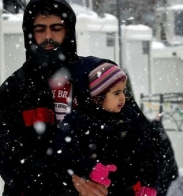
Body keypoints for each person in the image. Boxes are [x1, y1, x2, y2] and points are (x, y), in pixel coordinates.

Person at [0, 0, 108, 195]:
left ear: (68, 30)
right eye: (40, 29)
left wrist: (102, 176)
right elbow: (8, 162)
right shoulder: (13, 90)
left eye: (56, 28)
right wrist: (69, 179)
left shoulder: (95, 76)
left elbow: (128, 136)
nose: (48, 36)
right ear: (30, 33)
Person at [55, 58, 159, 196]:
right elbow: (65, 150)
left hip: (127, 189)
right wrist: (90, 167)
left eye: (123, 91)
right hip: (95, 190)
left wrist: (148, 184)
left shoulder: (129, 116)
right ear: (97, 97)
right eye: (116, 93)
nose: (123, 98)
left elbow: (147, 151)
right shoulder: (78, 120)